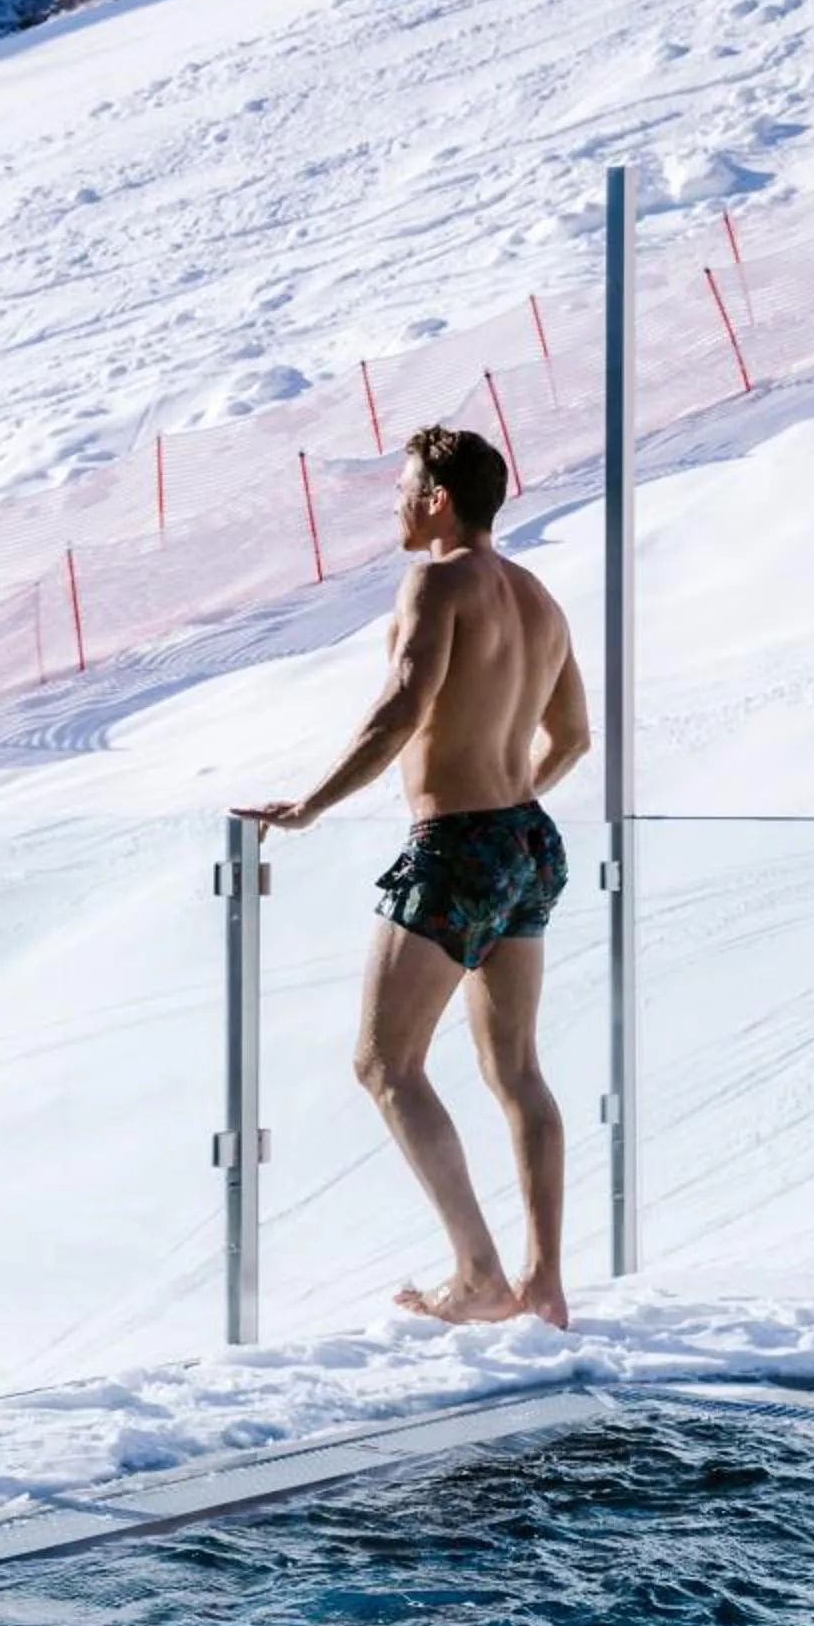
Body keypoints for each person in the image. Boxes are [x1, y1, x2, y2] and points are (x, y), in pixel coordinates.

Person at [242, 423, 590, 1328]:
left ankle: (478, 1275)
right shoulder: (539, 598)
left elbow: (403, 705)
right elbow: (571, 739)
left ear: (437, 500)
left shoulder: (437, 582)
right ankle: (544, 1283)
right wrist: (508, 810)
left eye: (402, 490)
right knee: (517, 1069)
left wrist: (310, 804)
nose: (395, 505)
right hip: (527, 841)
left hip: (461, 845)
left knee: (384, 1061)